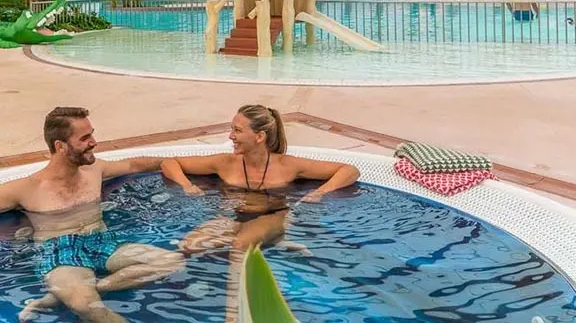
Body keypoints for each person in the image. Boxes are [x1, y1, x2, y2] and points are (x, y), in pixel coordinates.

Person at [161, 104, 360, 318]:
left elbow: (350, 170)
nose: (231, 136)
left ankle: (233, 316)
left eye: (238, 130)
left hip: (273, 217)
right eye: (232, 129)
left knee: (240, 244)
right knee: (189, 246)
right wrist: (187, 185)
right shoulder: (225, 163)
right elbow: (169, 163)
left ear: (259, 137)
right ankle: (271, 243)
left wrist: (319, 193)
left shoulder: (287, 165)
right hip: (234, 218)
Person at [0, 107, 184, 322]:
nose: (94, 142)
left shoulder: (95, 170)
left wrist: (179, 172)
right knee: (89, 307)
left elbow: (137, 164)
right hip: (61, 252)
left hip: (104, 242)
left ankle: (74, 291)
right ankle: (74, 292)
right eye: (84, 138)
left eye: (92, 134)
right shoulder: (26, 188)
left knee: (172, 261)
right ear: (60, 146)